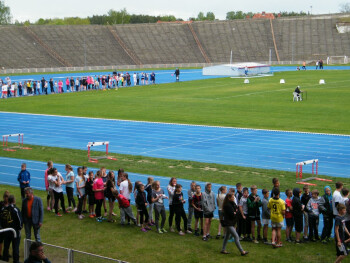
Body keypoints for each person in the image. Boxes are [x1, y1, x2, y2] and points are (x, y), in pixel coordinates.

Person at [0, 195, 22, 263]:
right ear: (14, 201)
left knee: (6, 245)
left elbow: (1, 219)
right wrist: (19, 228)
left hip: (6, 230)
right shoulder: (15, 209)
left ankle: (5, 259)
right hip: (14, 231)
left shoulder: (4, 209)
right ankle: (16, 260)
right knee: (15, 246)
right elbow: (19, 220)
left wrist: (3, 227)